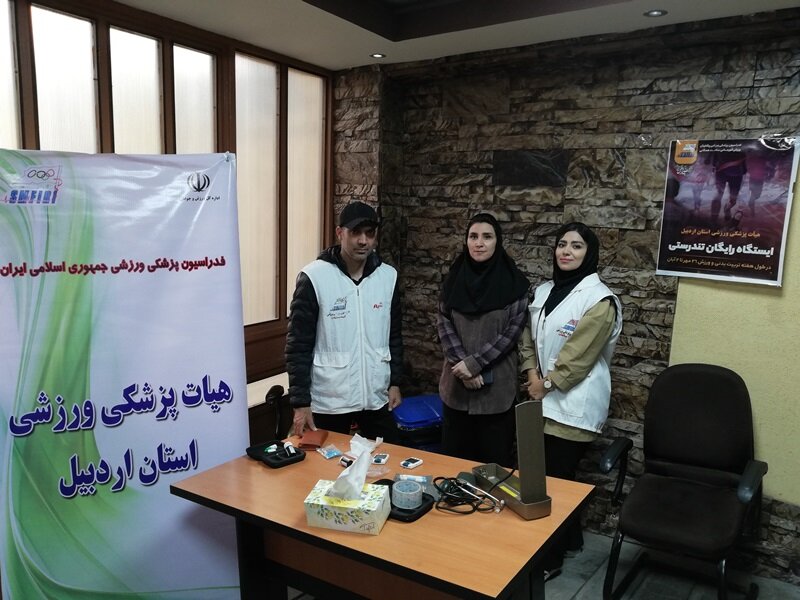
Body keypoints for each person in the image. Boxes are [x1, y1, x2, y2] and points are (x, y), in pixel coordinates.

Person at [519, 221, 622, 572]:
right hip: (542, 397)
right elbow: (527, 337)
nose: (566, 251)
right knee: (548, 477)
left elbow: (579, 357)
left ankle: (550, 560)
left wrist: (546, 385)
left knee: (555, 482)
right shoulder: (545, 291)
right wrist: (532, 374)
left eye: (577, 246)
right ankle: (571, 541)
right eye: (562, 244)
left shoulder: (600, 300)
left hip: (574, 405)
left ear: (589, 253)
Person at [285, 201, 403, 441]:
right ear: (340, 233)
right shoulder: (314, 277)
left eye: (370, 233)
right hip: (330, 400)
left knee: (389, 457)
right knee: (324, 462)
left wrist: (395, 383)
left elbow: (394, 336)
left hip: (375, 396)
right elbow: (298, 344)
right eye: (355, 233)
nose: (363, 241)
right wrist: (300, 402)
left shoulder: (388, 277)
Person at [437, 213, 530, 467]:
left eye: (487, 237)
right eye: (473, 236)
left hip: (496, 395)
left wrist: (474, 364)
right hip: (456, 389)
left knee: (493, 471)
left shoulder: (516, 285)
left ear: (497, 241)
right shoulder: (453, 279)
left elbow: (511, 334)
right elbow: (444, 324)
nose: (479, 243)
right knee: (453, 468)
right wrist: (464, 367)